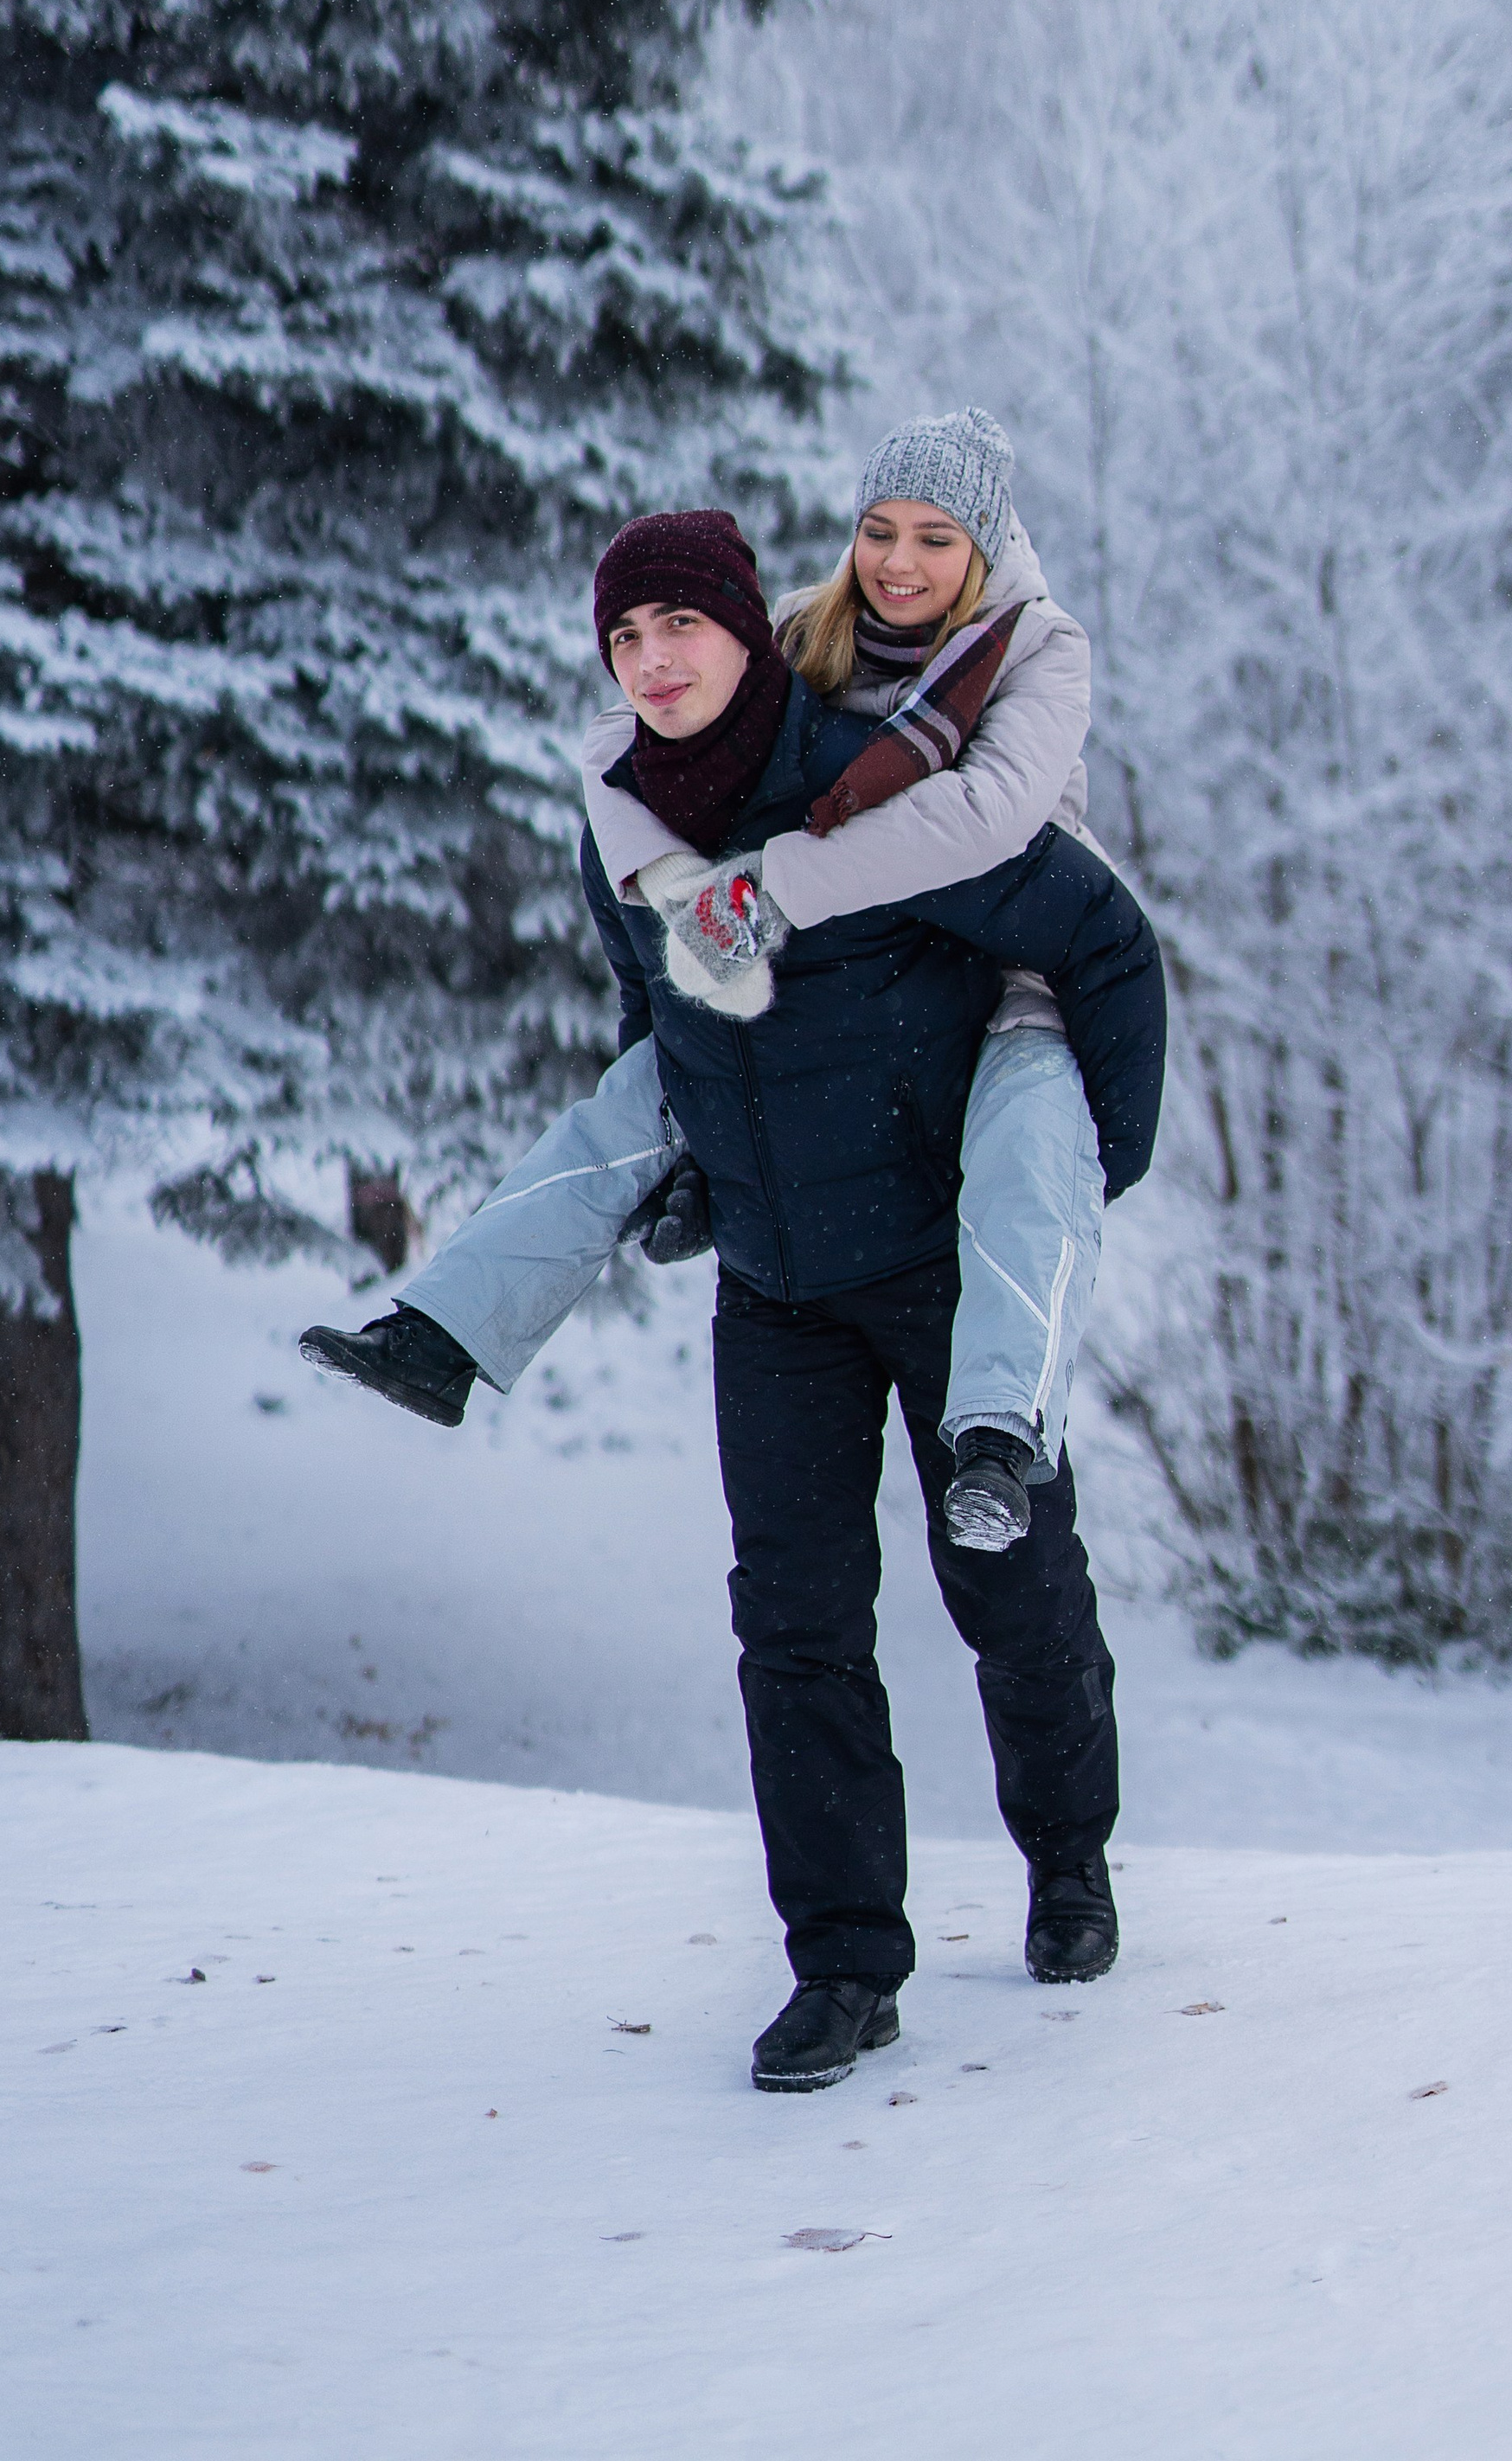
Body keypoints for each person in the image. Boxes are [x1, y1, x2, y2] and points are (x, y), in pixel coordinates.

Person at [303, 506, 1165, 2093]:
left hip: (933, 1257)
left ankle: (1068, 1861)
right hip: (778, 1286)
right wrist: (689, 1170)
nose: (652, 660)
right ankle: (844, 1966)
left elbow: (1100, 940)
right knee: (796, 1629)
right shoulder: (621, 820)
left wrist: (1095, 1159)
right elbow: (656, 1013)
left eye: (679, 626)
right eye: (624, 639)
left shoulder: (865, 781)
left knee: (1012, 1584)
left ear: (750, 628)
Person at [580, 407, 1106, 1551]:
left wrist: (776, 882)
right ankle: (680, 1176)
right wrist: (612, 793)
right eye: (879, 530)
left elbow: (981, 816)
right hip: (880, 1005)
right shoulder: (818, 628)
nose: (900, 563)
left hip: (1017, 972)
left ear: (985, 546)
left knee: (1025, 1166)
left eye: (935, 537)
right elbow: (662, 717)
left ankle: (1001, 1435)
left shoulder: (1037, 647)